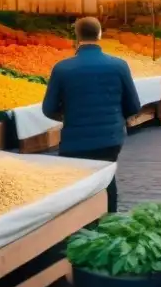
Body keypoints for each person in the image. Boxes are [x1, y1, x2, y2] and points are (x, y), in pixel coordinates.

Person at [43, 17, 141, 213]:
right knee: (107, 178)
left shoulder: (62, 68)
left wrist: (67, 116)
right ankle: (110, 221)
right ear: (100, 34)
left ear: (76, 36)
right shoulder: (119, 65)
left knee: (77, 184)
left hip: (75, 140)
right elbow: (134, 105)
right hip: (110, 138)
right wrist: (117, 118)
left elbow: (48, 108)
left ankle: (82, 225)